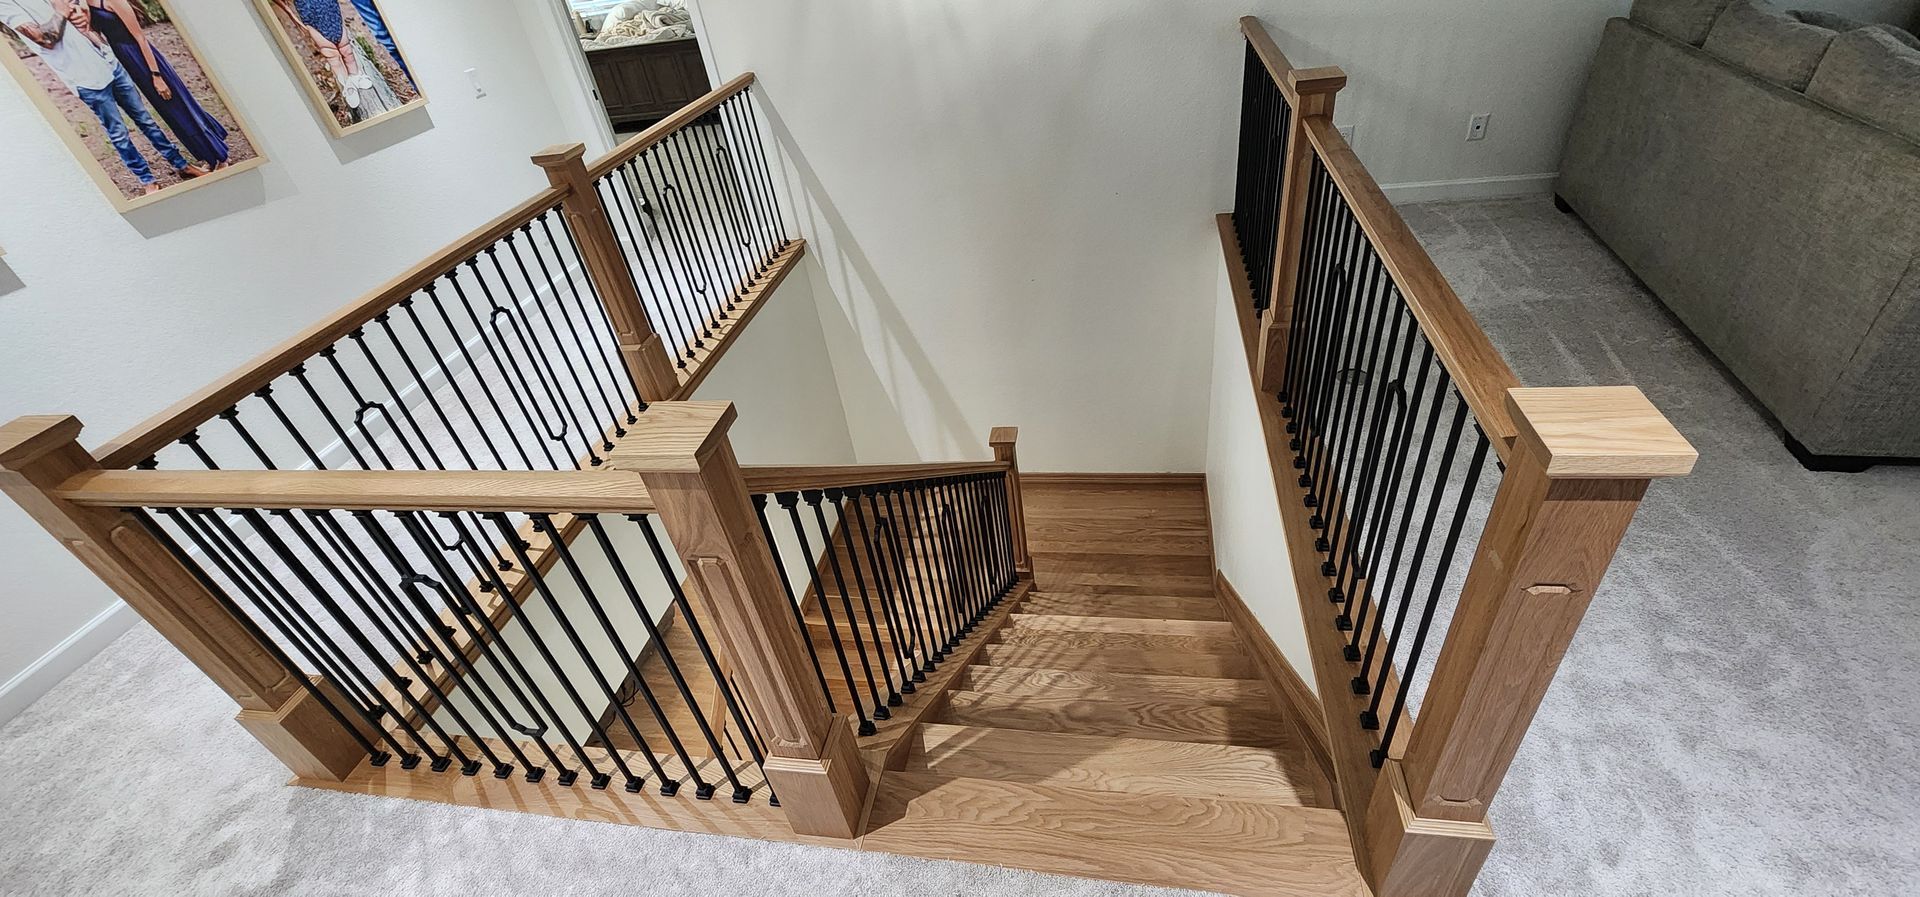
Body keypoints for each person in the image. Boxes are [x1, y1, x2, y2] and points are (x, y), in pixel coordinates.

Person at [0, 0, 208, 195]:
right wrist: (62, 11)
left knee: (146, 120)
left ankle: (181, 165)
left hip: (108, 61)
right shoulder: (6, 5)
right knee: (119, 134)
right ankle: (147, 181)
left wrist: (81, 11)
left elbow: (78, 8)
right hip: (85, 79)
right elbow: (44, 39)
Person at [84, 0, 229, 169]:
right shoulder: (85, 4)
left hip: (143, 58)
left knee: (179, 106)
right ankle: (209, 155)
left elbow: (140, 38)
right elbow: (99, 38)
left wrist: (156, 75)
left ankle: (220, 156)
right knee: (169, 113)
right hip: (128, 62)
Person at [273, 0, 374, 110]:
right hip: (309, 14)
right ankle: (347, 86)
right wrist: (289, 11)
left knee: (346, 49)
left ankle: (355, 75)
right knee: (332, 56)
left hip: (330, 8)